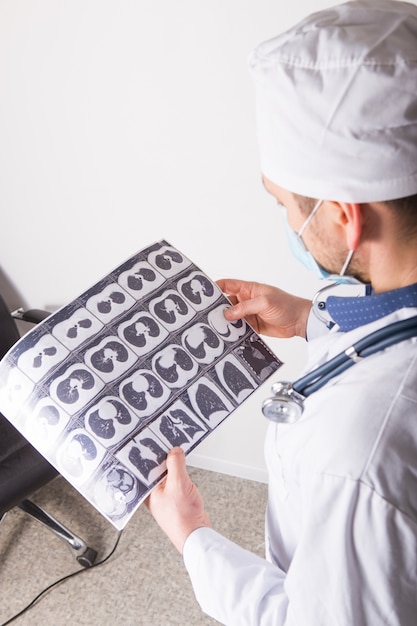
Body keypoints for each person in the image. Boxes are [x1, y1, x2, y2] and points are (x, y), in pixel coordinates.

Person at [146, 1, 417, 623]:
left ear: (346, 218)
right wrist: (308, 318)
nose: (291, 225)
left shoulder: (356, 457)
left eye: (287, 207)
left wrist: (194, 537)